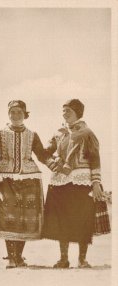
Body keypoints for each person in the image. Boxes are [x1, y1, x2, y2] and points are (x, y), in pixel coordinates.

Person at [43, 99, 103, 268]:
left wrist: (96, 182)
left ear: (77, 112)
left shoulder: (87, 133)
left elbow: (95, 159)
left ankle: (82, 259)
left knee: (82, 219)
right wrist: (53, 163)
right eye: (63, 111)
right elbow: (45, 153)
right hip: (61, 181)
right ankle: (63, 258)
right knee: (62, 219)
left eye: (68, 111)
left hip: (82, 182)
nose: (64, 114)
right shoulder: (59, 133)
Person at [0, 100, 46, 269]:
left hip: (30, 179)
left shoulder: (32, 134)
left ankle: (19, 256)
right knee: (9, 217)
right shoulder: (1, 133)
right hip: (6, 179)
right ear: (8, 114)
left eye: (19, 112)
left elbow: (42, 154)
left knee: (25, 219)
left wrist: (57, 164)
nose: (15, 115)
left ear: (25, 114)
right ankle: (12, 258)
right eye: (12, 112)